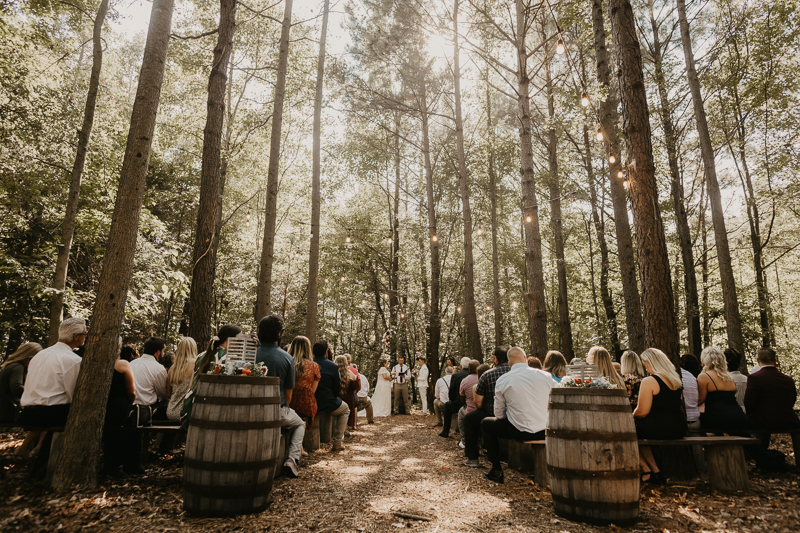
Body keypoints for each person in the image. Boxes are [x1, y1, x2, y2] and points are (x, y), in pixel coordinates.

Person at [19, 317, 86, 474]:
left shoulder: (39, 356)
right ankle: (48, 463)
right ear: (76, 336)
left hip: (27, 413)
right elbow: (73, 396)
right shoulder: (74, 360)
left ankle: (39, 454)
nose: (85, 336)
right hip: (51, 414)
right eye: (85, 333)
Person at [480, 347, 555, 482]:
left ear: (509, 363)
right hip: (545, 429)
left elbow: (499, 414)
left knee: (486, 424)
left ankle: (496, 470)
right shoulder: (545, 376)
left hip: (519, 430)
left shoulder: (503, 380)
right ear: (525, 359)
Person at [256, 315, 305, 478]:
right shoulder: (286, 358)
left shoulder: (249, 355)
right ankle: (292, 459)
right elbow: (288, 395)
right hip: (276, 412)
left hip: (249, 411)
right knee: (300, 424)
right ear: (279, 334)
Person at [633, 348, 687, 484]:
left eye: (645, 364)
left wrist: (631, 415)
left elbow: (642, 412)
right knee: (638, 434)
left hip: (658, 427)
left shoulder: (649, 381)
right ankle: (655, 471)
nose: (645, 368)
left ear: (650, 363)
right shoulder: (675, 380)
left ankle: (646, 469)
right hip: (678, 427)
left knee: (624, 433)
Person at [182, 324, 242, 428]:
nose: (242, 343)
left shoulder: (202, 355)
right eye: (240, 339)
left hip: (188, 411)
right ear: (229, 340)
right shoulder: (231, 359)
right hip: (210, 415)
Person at [744, 347, 800, 449]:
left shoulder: (754, 378)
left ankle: (761, 457)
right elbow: (792, 399)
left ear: (758, 360)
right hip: (787, 420)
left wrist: (753, 416)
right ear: (775, 360)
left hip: (763, 421)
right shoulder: (788, 379)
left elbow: (749, 401)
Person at [464, 346, 510, 468]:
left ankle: (473, 458)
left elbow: (478, 403)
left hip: (491, 414)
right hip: (515, 414)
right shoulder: (515, 373)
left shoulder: (487, 374)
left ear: (495, 359)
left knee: (469, 419)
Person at [0, 342, 43, 458]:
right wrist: (37, 396)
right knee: (45, 417)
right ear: (29, 357)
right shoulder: (17, 367)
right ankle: (33, 449)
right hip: (8, 411)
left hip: (5, 408)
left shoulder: (12, 365)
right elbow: (17, 389)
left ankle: (32, 447)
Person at [102, 338, 138, 476]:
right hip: (119, 406)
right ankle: (130, 465)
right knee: (132, 430)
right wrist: (130, 402)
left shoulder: (94, 364)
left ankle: (110, 464)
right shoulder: (122, 364)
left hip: (103, 407)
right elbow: (132, 392)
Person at [697, 346, 747, 432]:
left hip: (718, 418)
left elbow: (700, 400)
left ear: (704, 360)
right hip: (738, 417)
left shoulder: (704, 376)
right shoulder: (728, 377)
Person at [313, 340, 350, 451]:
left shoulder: (309, 363)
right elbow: (337, 388)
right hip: (327, 403)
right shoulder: (332, 366)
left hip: (311, 401)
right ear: (326, 352)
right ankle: (337, 442)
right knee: (345, 409)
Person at [288, 336, 321, 427]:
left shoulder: (287, 363)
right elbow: (312, 391)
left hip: (288, 403)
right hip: (307, 406)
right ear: (308, 349)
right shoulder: (314, 366)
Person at [166, 337, 197, 421]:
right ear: (194, 348)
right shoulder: (195, 364)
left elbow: (168, 394)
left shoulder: (172, 368)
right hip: (186, 412)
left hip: (171, 412)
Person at [439, 357, 470, 438]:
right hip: (472, 403)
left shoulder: (456, 376)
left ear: (460, 366)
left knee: (448, 406)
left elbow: (451, 392)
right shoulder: (474, 374)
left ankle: (446, 431)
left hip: (458, 403)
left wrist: (452, 400)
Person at [456, 360, 480, 449]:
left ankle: (464, 440)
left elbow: (462, 397)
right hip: (484, 410)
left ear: (469, 369)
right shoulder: (483, 377)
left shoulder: (465, 380)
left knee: (460, 413)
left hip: (470, 410)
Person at [335, 355, 359, 433]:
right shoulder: (350, 373)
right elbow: (356, 387)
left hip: (337, 398)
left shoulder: (334, 372)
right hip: (349, 399)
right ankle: (345, 429)